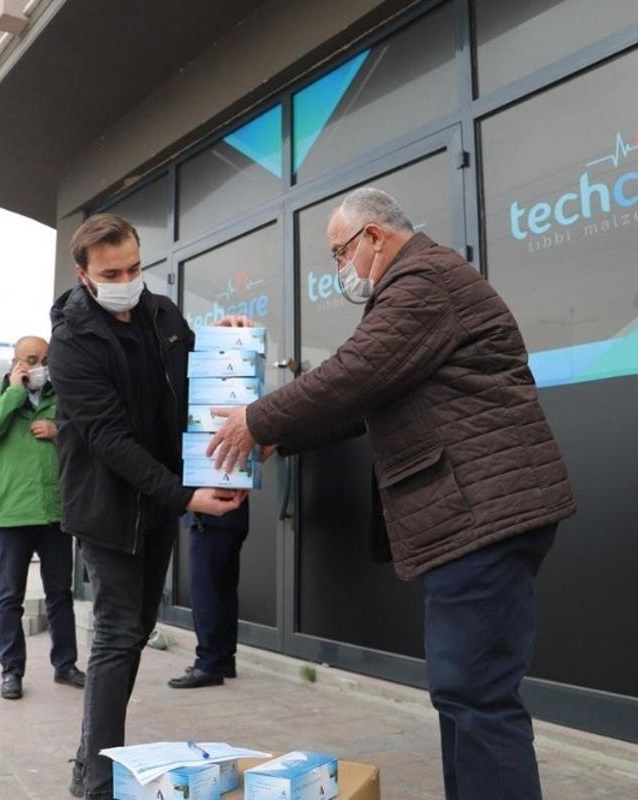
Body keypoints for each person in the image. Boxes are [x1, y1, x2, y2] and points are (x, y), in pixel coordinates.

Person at [208, 188, 577, 800]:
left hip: (481, 512)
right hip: (470, 514)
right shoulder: (416, 283)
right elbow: (369, 399)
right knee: (463, 693)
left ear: (374, 237)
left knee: (478, 698)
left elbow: (355, 373)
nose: (338, 270)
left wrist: (258, 421)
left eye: (338, 253)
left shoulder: (424, 280)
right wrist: (281, 440)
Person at [48, 214, 246, 800]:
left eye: (135, 267)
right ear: (84, 275)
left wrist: (221, 339)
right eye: (113, 272)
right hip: (108, 508)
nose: (128, 280)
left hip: (158, 502)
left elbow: (190, 381)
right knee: (115, 635)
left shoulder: (162, 314)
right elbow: (109, 441)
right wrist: (187, 497)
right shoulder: (71, 343)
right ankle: (98, 781)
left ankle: (92, 757)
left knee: (135, 631)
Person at [0, 335, 86, 700]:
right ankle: (11, 671)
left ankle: (65, 665)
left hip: (53, 511)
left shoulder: (62, 397)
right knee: (10, 597)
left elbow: (86, 436)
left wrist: (58, 430)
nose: (40, 367)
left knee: (60, 594)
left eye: (45, 360)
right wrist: (15, 394)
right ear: (16, 361)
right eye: (32, 360)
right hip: (13, 513)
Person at [167, 504, 248, 688]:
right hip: (232, 518)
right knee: (223, 589)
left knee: (205, 591)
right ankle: (223, 659)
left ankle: (209, 664)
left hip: (210, 516)